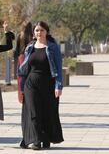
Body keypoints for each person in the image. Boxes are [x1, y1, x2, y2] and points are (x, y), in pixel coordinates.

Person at [18, 21, 64, 150]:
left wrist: (58, 86)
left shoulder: (53, 47)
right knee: (33, 111)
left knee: (47, 112)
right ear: (33, 33)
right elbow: (25, 68)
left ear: (46, 32)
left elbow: (59, 68)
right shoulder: (29, 47)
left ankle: (46, 138)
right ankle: (36, 140)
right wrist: (21, 88)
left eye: (42, 30)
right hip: (31, 84)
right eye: (37, 30)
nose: (39, 33)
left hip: (48, 84)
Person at [14, 22, 33, 103]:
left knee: (21, 77)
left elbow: (17, 49)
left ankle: (21, 97)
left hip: (21, 57)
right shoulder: (32, 36)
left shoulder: (20, 35)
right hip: (30, 56)